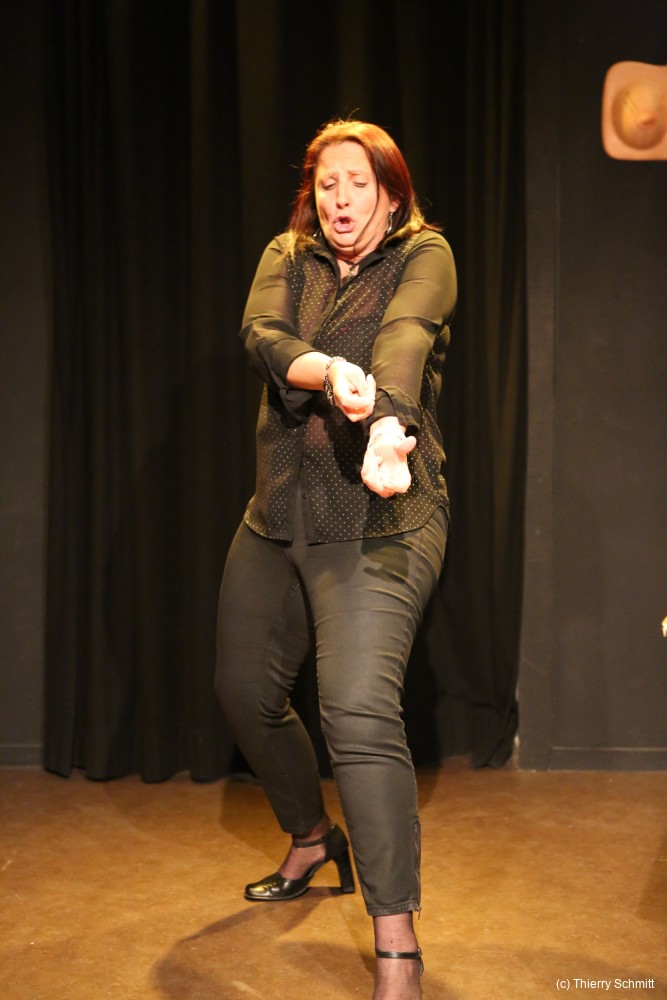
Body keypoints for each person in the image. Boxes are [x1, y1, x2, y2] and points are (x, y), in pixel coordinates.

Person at [215, 118, 457, 1000]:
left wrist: (386, 422)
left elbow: (406, 335)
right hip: (279, 515)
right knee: (244, 691)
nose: (340, 200)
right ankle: (313, 839)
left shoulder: (424, 253)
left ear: (391, 195)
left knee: (355, 709)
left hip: (381, 520)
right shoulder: (287, 255)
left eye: (359, 183)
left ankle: (396, 947)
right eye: (327, 184)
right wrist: (322, 368)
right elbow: (260, 334)